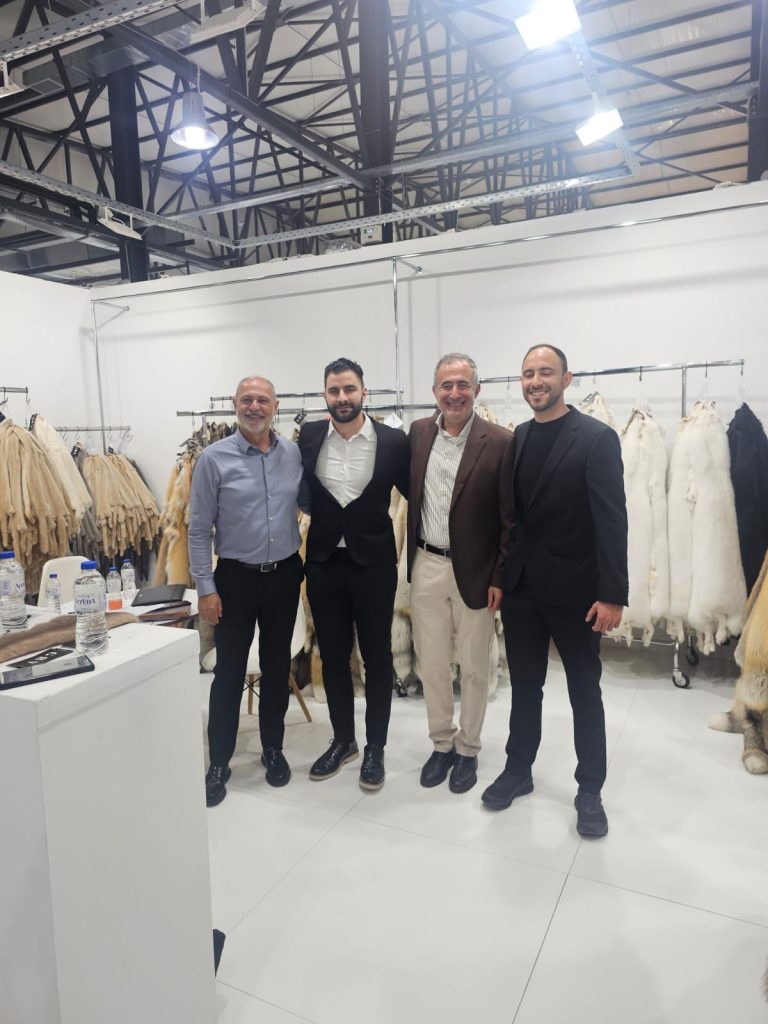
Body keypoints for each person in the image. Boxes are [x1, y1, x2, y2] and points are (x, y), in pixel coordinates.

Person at [481, 345, 628, 838]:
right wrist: (501, 577)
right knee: (525, 688)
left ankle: (590, 790)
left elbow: (613, 521)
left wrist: (613, 594)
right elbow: (512, 521)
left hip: (578, 592)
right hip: (523, 590)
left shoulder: (597, 438)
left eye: (545, 372)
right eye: (528, 373)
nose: (535, 381)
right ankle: (518, 770)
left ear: (567, 379)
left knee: (584, 691)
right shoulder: (518, 437)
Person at [189, 375, 306, 807]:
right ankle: (219, 762)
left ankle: (272, 749)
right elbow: (198, 530)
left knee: (276, 669)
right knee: (228, 674)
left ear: (276, 406)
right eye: (246, 400)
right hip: (235, 580)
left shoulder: (292, 454)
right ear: (235, 404)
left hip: (284, 576)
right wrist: (205, 588)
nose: (254, 407)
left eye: (262, 400)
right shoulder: (212, 459)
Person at [299, 357, 409, 790]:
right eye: (334, 390)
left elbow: (416, 496)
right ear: (325, 395)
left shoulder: (393, 441)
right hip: (324, 564)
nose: (342, 397)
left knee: (378, 658)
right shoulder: (308, 437)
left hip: (374, 565)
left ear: (364, 392)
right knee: (333, 656)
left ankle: (375, 747)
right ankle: (344, 740)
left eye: (349, 389)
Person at [407, 353, 513, 794]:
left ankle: (468, 748)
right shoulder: (418, 434)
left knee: (474, 666)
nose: (454, 393)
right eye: (446, 385)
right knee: (431, 663)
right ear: (434, 391)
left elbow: (509, 519)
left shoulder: (501, 441)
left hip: (477, 572)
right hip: (426, 563)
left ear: (476, 390)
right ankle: (441, 743)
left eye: (462, 385)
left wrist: (499, 577)